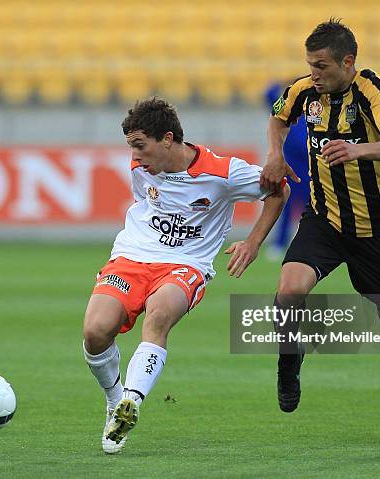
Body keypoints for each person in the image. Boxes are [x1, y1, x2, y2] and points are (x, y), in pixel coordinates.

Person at [260, 19, 380, 452]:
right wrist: (275, 157)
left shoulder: (373, 91)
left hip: (377, 232)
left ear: (347, 62)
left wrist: (357, 149)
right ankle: (289, 362)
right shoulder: (304, 91)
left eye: (321, 65)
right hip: (325, 222)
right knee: (288, 290)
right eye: (309, 65)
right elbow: (278, 119)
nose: (313, 73)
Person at [83, 97, 290, 454]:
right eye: (132, 147)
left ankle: (132, 400)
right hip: (132, 256)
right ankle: (115, 401)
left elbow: (279, 190)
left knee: (160, 313)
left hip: (186, 264)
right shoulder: (141, 165)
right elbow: (145, 203)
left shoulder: (223, 172)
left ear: (166, 139)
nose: (135, 155)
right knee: (95, 332)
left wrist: (254, 243)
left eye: (140, 145)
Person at [264, 82, 310, 256]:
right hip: (289, 169)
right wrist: (285, 83)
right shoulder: (285, 112)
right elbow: (269, 94)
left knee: (313, 211)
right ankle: (280, 243)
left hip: (309, 173)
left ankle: (309, 243)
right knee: (284, 207)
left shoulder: (312, 116)